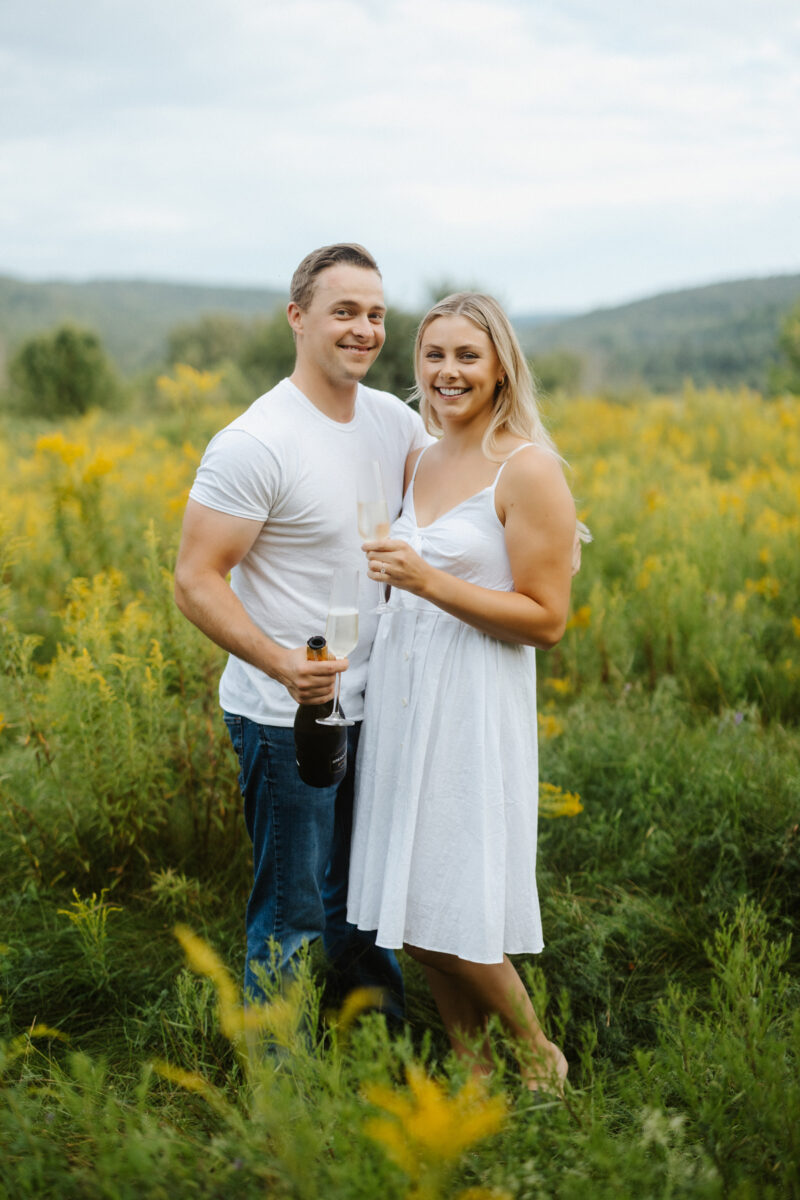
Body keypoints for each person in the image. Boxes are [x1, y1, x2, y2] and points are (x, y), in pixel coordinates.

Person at [174, 243, 429, 1015]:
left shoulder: (395, 424)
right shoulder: (256, 442)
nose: (364, 329)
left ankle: (376, 1047)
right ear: (298, 317)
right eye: (344, 311)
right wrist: (282, 663)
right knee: (293, 917)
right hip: (287, 715)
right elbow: (195, 578)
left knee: (365, 904)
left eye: (376, 314)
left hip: (376, 705)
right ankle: (281, 1074)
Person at [347, 291, 583, 1092]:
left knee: (453, 907)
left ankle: (538, 1054)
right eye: (434, 355)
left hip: (472, 708)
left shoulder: (529, 469)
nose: (448, 372)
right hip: (404, 706)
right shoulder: (421, 458)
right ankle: (475, 1075)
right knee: (416, 916)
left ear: (500, 368)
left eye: (467, 357)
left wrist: (428, 581)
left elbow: (547, 619)